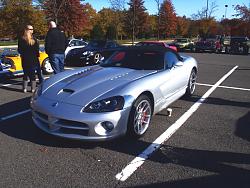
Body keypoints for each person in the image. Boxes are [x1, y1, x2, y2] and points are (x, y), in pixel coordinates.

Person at [18, 25, 43, 93]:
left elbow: (19, 50)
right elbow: (37, 51)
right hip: (33, 59)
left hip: (25, 59)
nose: (32, 30)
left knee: (25, 73)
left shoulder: (21, 39)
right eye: (31, 29)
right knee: (32, 74)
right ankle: (33, 89)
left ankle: (24, 89)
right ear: (27, 30)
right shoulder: (34, 40)